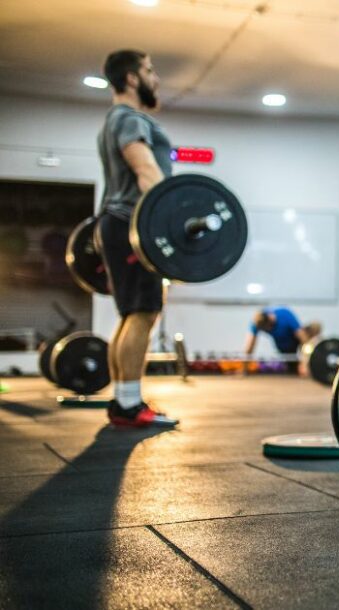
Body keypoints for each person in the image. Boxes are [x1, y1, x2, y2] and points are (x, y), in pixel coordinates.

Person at [95, 49, 177, 428]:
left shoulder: (113, 120)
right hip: (132, 225)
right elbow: (145, 168)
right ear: (131, 78)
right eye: (149, 69)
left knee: (131, 314)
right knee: (143, 313)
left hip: (116, 223)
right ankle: (129, 406)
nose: (155, 78)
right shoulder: (128, 118)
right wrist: (167, 221)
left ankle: (123, 400)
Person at [244, 307, 321, 375]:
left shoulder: (285, 314)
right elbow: (250, 346)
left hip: (297, 340)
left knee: (316, 326)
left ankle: (314, 363)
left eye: (268, 328)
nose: (268, 330)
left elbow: (302, 338)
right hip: (284, 348)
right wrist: (244, 369)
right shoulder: (256, 323)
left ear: (271, 319)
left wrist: (305, 363)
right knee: (293, 371)